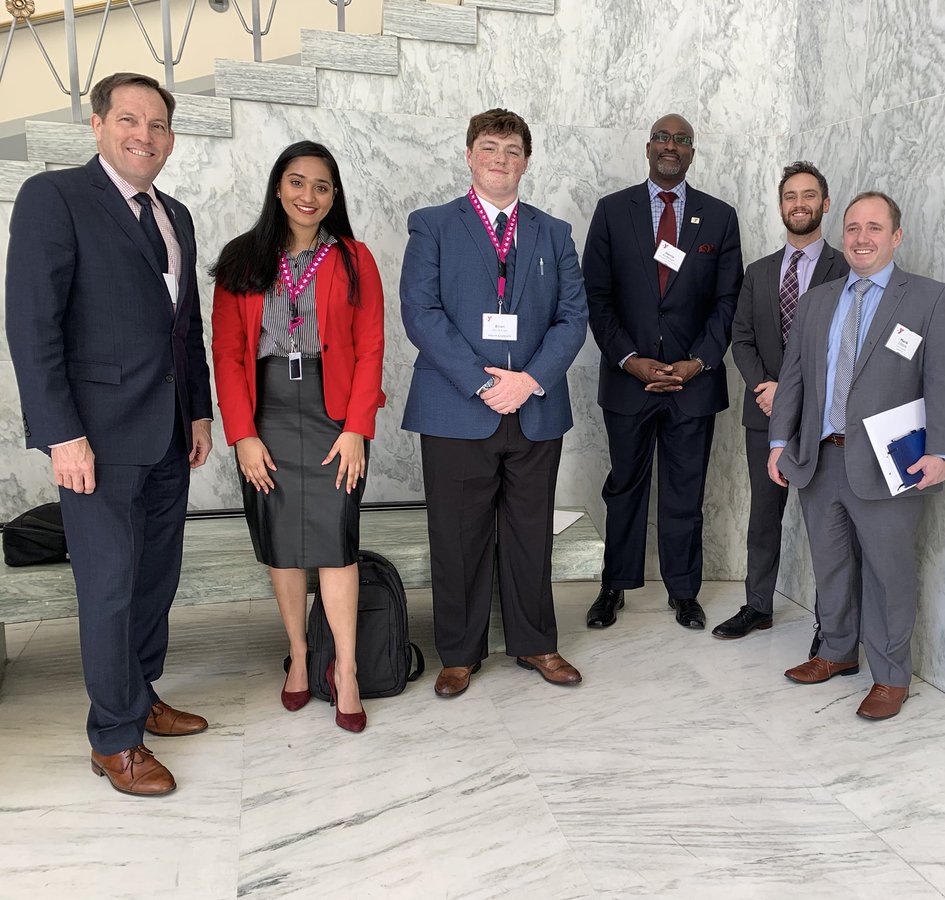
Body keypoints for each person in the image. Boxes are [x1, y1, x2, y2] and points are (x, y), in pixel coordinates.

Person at [5, 72, 213, 795]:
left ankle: (141, 696)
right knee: (109, 589)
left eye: (157, 126)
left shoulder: (176, 214)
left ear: (171, 139)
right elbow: (33, 328)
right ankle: (113, 739)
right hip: (94, 443)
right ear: (97, 126)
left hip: (166, 436)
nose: (144, 136)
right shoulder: (54, 198)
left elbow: (184, 328)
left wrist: (198, 410)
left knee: (155, 581)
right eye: (129, 120)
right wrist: (62, 436)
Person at [400, 108, 588, 698]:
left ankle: (536, 642)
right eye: (489, 148)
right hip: (457, 407)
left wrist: (527, 380)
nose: (500, 159)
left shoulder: (553, 232)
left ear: (526, 162)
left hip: (534, 407)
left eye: (511, 150)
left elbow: (573, 317)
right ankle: (459, 652)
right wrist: (483, 384)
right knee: (457, 536)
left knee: (531, 532)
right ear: (469, 155)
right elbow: (421, 314)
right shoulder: (432, 225)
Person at [767, 191, 945, 720]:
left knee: (888, 573)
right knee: (830, 565)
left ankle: (890, 676)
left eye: (874, 228)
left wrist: (943, 452)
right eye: (853, 227)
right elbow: (794, 379)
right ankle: (836, 652)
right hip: (819, 459)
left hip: (889, 463)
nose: (861, 238)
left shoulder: (929, 298)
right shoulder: (818, 300)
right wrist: (778, 442)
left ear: (896, 237)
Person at [210, 141, 385, 732]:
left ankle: (349, 669)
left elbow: (371, 352)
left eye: (322, 186)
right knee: (282, 541)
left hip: (335, 415)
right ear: (278, 188)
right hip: (268, 416)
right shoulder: (242, 259)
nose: (308, 196)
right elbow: (228, 355)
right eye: (297, 182)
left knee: (336, 540)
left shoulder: (356, 259)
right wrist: (242, 436)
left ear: (334, 196)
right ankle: (301, 657)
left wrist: (358, 428)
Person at [583, 113, 743, 631]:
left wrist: (697, 362)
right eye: (661, 138)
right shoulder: (612, 212)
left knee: (685, 491)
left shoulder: (719, 217)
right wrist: (630, 360)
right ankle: (615, 586)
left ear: (692, 153)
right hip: (629, 382)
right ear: (648, 148)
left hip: (692, 386)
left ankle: (683, 591)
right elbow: (596, 297)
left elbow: (728, 301)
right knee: (624, 487)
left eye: (681, 140)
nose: (670, 146)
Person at [713, 161, 851, 640]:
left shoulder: (845, 270)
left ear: (825, 204)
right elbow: (742, 337)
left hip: (821, 417)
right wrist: (768, 389)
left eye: (809, 195)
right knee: (763, 517)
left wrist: (795, 394)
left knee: (826, 523)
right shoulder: (759, 272)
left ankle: (827, 622)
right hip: (765, 411)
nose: (799, 204)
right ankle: (758, 606)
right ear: (780, 206)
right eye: (790, 196)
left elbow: (844, 347)